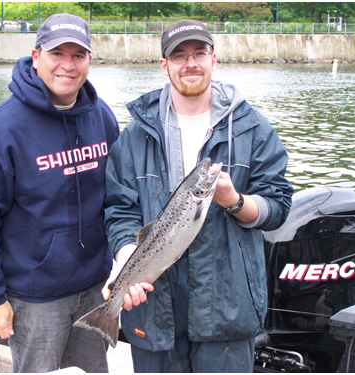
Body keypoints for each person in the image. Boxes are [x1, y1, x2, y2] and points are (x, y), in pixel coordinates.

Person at [102, 19, 294, 373]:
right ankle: (106, 317)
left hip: (227, 311)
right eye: (179, 56)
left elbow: (279, 207)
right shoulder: (133, 136)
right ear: (164, 65)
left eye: (199, 53)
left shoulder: (252, 128)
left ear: (213, 59)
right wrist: (127, 261)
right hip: (153, 312)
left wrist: (235, 201)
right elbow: (120, 211)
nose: (190, 63)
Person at [0, 13, 119, 373]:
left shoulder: (102, 117)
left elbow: (118, 198)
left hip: (95, 289)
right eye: (56, 53)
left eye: (78, 55)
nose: (67, 65)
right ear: (36, 56)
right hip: (35, 297)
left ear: (89, 60)